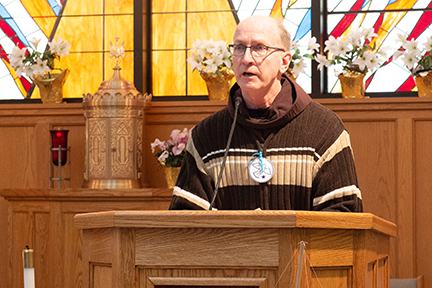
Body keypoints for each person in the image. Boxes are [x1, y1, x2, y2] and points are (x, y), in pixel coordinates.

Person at [169, 15, 363, 212]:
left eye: (259, 48)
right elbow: (185, 220)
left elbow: (344, 213)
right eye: (239, 48)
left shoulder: (325, 129)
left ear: (284, 62)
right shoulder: (206, 135)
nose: (246, 59)